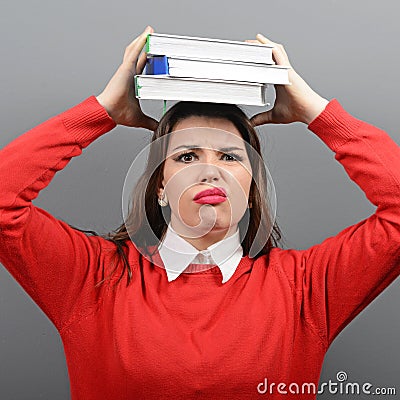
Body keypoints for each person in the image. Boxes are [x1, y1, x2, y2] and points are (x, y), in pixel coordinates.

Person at [0, 25, 399, 400]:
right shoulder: (93, 279)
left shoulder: (305, 288)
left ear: (252, 183)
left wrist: (316, 111)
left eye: (229, 156)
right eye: (187, 156)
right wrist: (102, 111)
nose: (210, 171)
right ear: (160, 186)